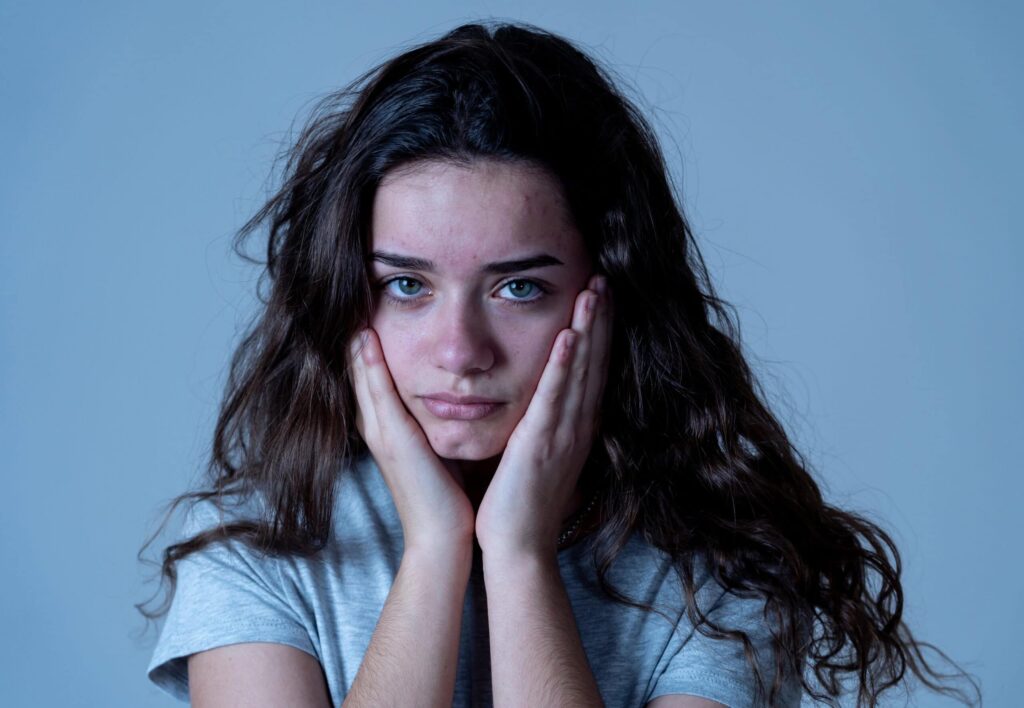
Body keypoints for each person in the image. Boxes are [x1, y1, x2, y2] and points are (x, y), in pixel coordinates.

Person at [138, 21, 980, 707]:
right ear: (347, 295)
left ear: (607, 299)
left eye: (518, 289)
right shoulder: (255, 547)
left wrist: (519, 555)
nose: (460, 351)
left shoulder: (721, 579)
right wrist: (436, 547)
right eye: (406, 285)